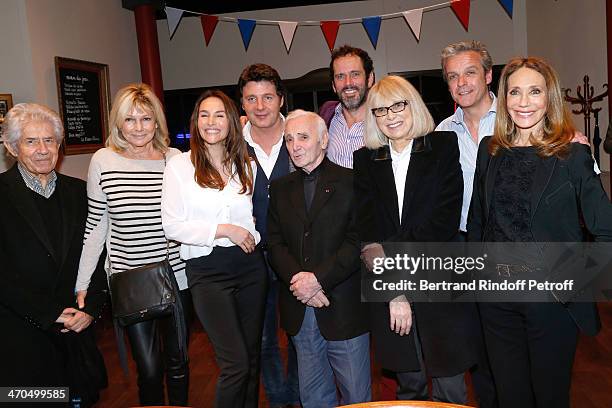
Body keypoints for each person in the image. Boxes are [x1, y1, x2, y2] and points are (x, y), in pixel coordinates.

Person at [467, 56, 612, 408]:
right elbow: (477, 224)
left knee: (549, 397)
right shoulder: (489, 151)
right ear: (504, 99)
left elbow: (605, 230)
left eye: (534, 91)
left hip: (549, 302)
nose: (523, 102)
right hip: (496, 300)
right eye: (515, 92)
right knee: (510, 396)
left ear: (549, 98)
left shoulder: (572, 154)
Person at [354, 75, 483, 404]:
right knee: (409, 388)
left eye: (398, 105)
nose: (391, 115)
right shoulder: (365, 160)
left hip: (440, 282)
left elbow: (443, 223)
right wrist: (396, 291)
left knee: (450, 388)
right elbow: (367, 231)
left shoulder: (442, 146)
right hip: (389, 287)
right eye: (381, 110)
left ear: (414, 105)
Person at [75, 83, 190, 406]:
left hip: (176, 276)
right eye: (130, 120)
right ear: (118, 123)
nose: (138, 128)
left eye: (145, 119)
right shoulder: (103, 160)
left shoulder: (174, 159)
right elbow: (96, 225)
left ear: (157, 122)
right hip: (128, 280)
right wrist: (83, 282)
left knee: (178, 363)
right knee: (149, 368)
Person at [162, 89, 268, 408]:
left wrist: (246, 234)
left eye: (219, 115)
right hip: (207, 273)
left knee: (250, 359)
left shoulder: (245, 164)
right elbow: (173, 226)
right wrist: (224, 230)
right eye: (204, 115)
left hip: (250, 267)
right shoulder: (179, 166)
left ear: (231, 122)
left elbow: (249, 220)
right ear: (195, 122)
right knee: (234, 364)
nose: (211, 122)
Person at [0, 103, 107, 405]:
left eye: (50, 140)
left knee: (79, 401)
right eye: (31, 141)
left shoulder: (81, 192)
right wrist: (49, 314)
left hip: (76, 335)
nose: (43, 149)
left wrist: (92, 309)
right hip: (21, 340)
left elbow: (98, 254)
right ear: (11, 146)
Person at [267, 110, 371, 407]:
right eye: (289, 139)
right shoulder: (280, 188)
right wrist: (301, 283)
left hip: (343, 308)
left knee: (356, 398)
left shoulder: (353, 182)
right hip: (300, 309)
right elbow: (274, 244)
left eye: (303, 137)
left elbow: (357, 242)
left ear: (324, 140)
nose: (295, 145)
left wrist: (317, 280)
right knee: (313, 397)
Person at [238, 63, 300, 408]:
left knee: (298, 335)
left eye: (267, 97)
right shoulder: (232, 143)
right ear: (242, 105)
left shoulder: (298, 134)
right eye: (251, 99)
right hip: (250, 258)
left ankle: (297, 395)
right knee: (261, 338)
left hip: (294, 255)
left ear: (280, 100)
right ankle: (278, 399)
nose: (260, 106)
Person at [320, 45, 374, 169]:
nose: (348, 83)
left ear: (369, 79)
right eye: (340, 76)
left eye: (355, 74)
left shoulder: (386, 122)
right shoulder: (325, 117)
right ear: (333, 85)